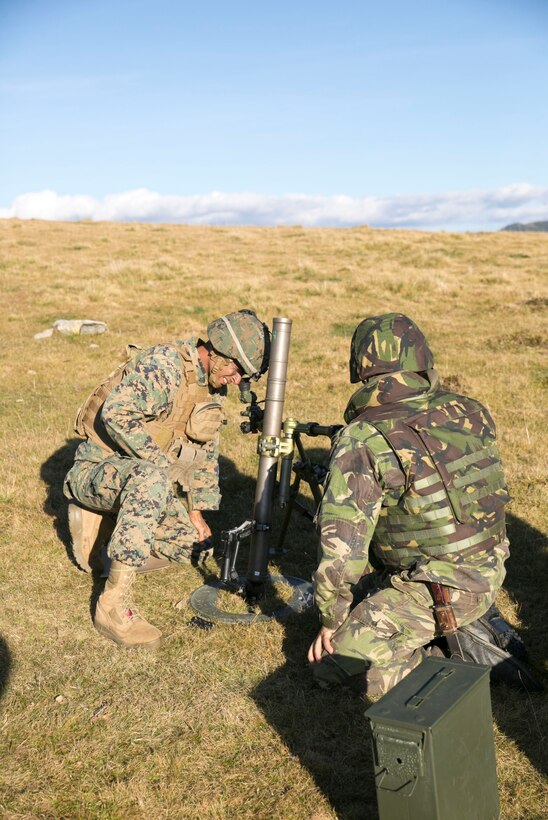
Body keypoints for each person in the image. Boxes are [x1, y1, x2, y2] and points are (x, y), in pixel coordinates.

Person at [308, 312, 512, 695]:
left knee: (338, 666)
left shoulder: (363, 438)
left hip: (442, 590)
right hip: (493, 565)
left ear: (361, 369)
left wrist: (330, 621)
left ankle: (451, 663)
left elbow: (342, 551)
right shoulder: (470, 409)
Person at [64, 309, 270, 649]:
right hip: (96, 471)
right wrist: (161, 467)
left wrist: (195, 512)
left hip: (138, 479)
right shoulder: (165, 366)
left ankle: (105, 538)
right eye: (237, 370)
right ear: (218, 353)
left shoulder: (212, 389)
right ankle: (112, 605)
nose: (237, 380)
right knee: (151, 478)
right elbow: (116, 413)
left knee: (191, 544)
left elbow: (204, 455)